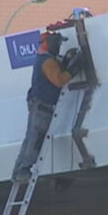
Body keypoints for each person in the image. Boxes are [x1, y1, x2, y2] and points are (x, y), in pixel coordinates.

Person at [12, 31, 86, 183]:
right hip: (42, 105)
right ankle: (23, 170)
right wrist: (74, 68)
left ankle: (19, 169)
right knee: (36, 138)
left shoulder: (45, 59)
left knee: (30, 137)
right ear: (50, 42)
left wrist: (65, 63)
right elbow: (59, 80)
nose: (59, 46)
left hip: (38, 103)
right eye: (57, 43)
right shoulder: (47, 61)